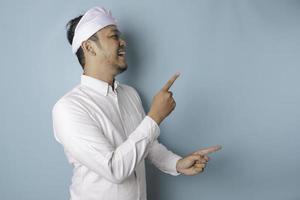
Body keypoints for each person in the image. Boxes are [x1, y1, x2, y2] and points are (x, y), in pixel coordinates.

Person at [52, 6, 222, 200]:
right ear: (89, 47)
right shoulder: (69, 108)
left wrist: (177, 163)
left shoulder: (130, 95)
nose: (123, 42)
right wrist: (155, 116)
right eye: (113, 36)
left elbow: (147, 146)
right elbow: (114, 169)